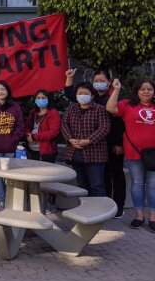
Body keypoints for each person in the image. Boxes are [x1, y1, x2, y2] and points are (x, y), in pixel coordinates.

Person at [65, 68, 126, 217]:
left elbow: (114, 124)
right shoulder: (82, 103)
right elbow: (70, 97)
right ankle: (88, 210)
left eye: (102, 81)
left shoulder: (114, 97)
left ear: (109, 82)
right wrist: (69, 78)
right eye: (96, 81)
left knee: (114, 177)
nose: (99, 84)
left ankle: (115, 209)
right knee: (98, 180)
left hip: (109, 145)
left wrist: (118, 143)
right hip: (88, 149)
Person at [106, 78, 155, 230]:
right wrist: (116, 90)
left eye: (149, 89)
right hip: (134, 152)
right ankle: (139, 215)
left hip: (154, 155)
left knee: (153, 186)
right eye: (142, 89)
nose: (146, 92)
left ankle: (153, 217)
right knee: (137, 184)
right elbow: (110, 108)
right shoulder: (127, 104)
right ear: (137, 91)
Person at [61, 82, 110, 197]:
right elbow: (64, 125)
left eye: (86, 93)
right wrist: (70, 139)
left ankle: (100, 212)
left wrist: (89, 140)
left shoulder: (100, 109)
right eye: (80, 93)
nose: (83, 95)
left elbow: (104, 127)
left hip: (95, 154)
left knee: (97, 185)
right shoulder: (71, 109)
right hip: (75, 152)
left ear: (92, 96)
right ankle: (84, 212)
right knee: (81, 185)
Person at [0, 80, 25, 207]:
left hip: (11, 147)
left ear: (7, 91)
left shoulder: (15, 107)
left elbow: (20, 127)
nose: (0, 92)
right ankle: (1, 200)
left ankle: (10, 199)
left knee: (10, 175)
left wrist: (12, 140)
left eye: (3, 89)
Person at [25, 89, 62, 213]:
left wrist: (35, 137)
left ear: (48, 99)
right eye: (38, 97)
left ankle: (50, 205)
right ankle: (35, 203)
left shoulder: (53, 113)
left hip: (47, 151)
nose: (41, 100)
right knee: (34, 178)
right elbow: (27, 127)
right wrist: (28, 134)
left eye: (43, 97)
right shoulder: (33, 112)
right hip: (32, 149)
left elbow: (53, 132)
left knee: (49, 178)